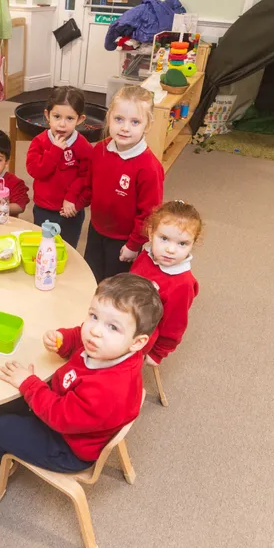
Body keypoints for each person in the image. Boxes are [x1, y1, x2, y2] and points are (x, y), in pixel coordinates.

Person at [0, 274, 163, 477]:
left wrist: (29, 384)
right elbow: (79, 335)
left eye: (112, 327)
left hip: (67, 446)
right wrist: (63, 340)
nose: (94, 331)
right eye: (94, 316)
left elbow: (59, 416)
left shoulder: (108, 389)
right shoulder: (109, 347)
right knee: (3, 401)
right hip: (64, 407)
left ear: (137, 342)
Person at [82, 85, 164, 283]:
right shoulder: (100, 149)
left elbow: (149, 214)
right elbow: (90, 185)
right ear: (109, 118)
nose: (125, 128)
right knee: (91, 275)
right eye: (119, 119)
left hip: (124, 240)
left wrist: (134, 245)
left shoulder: (149, 167)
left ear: (148, 125)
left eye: (135, 122)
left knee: (115, 286)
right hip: (96, 228)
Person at [130, 201, 202, 365]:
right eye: (164, 239)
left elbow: (174, 324)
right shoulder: (146, 256)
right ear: (150, 233)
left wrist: (158, 353)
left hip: (143, 333)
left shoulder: (182, 284)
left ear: (192, 243)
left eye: (182, 244)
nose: (171, 250)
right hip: (126, 315)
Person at [25, 86, 94, 248]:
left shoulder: (83, 146)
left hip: (70, 210)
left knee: (68, 249)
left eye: (69, 118)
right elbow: (36, 171)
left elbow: (86, 176)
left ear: (80, 119)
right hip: (44, 207)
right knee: (43, 247)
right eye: (57, 116)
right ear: (47, 115)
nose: (62, 124)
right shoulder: (39, 142)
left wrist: (72, 198)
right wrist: (54, 151)